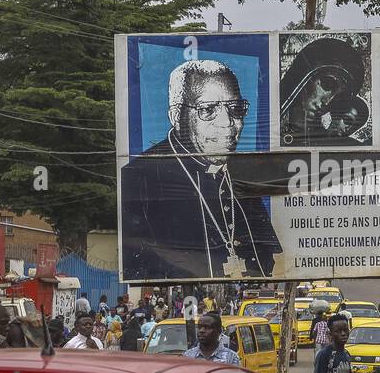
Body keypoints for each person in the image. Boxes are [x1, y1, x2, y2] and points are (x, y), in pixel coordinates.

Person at [119, 59, 282, 280]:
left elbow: (266, 251)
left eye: (235, 109)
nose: (227, 123)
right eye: (208, 110)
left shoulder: (241, 172)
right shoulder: (137, 177)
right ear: (177, 117)